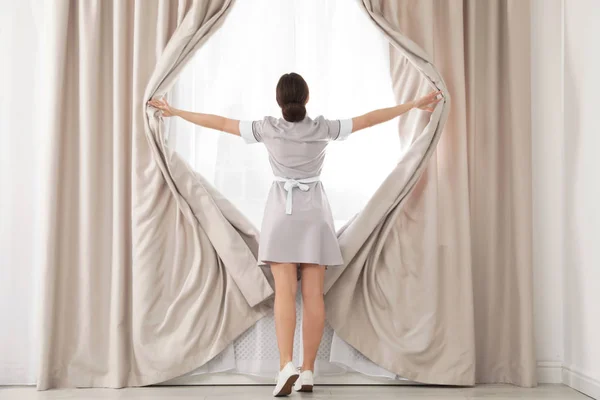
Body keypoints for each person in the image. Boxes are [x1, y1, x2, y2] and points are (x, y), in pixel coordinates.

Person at [148, 72, 441, 397]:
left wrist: (175, 112)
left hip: (281, 216)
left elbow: (219, 123)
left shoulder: (268, 128)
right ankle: (308, 371)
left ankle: (285, 364)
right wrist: (413, 104)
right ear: (306, 98)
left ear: (279, 100)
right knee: (314, 295)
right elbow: (369, 120)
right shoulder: (321, 128)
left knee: (285, 294)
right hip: (314, 215)